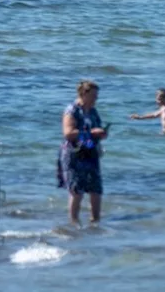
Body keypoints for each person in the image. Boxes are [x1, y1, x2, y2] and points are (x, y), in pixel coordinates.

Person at [59, 80, 107, 225]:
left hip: (91, 152)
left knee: (96, 189)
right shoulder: (72, 110)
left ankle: (95, 221)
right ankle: (74, 222)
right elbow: (68, 133)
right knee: (77, 190)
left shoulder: (93, 111)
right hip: (74, 153)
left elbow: (96, 129)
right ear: (84, 94)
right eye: (93, 96)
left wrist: (101, 134)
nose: (95, 100)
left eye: (96, 97)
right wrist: (91, 132)